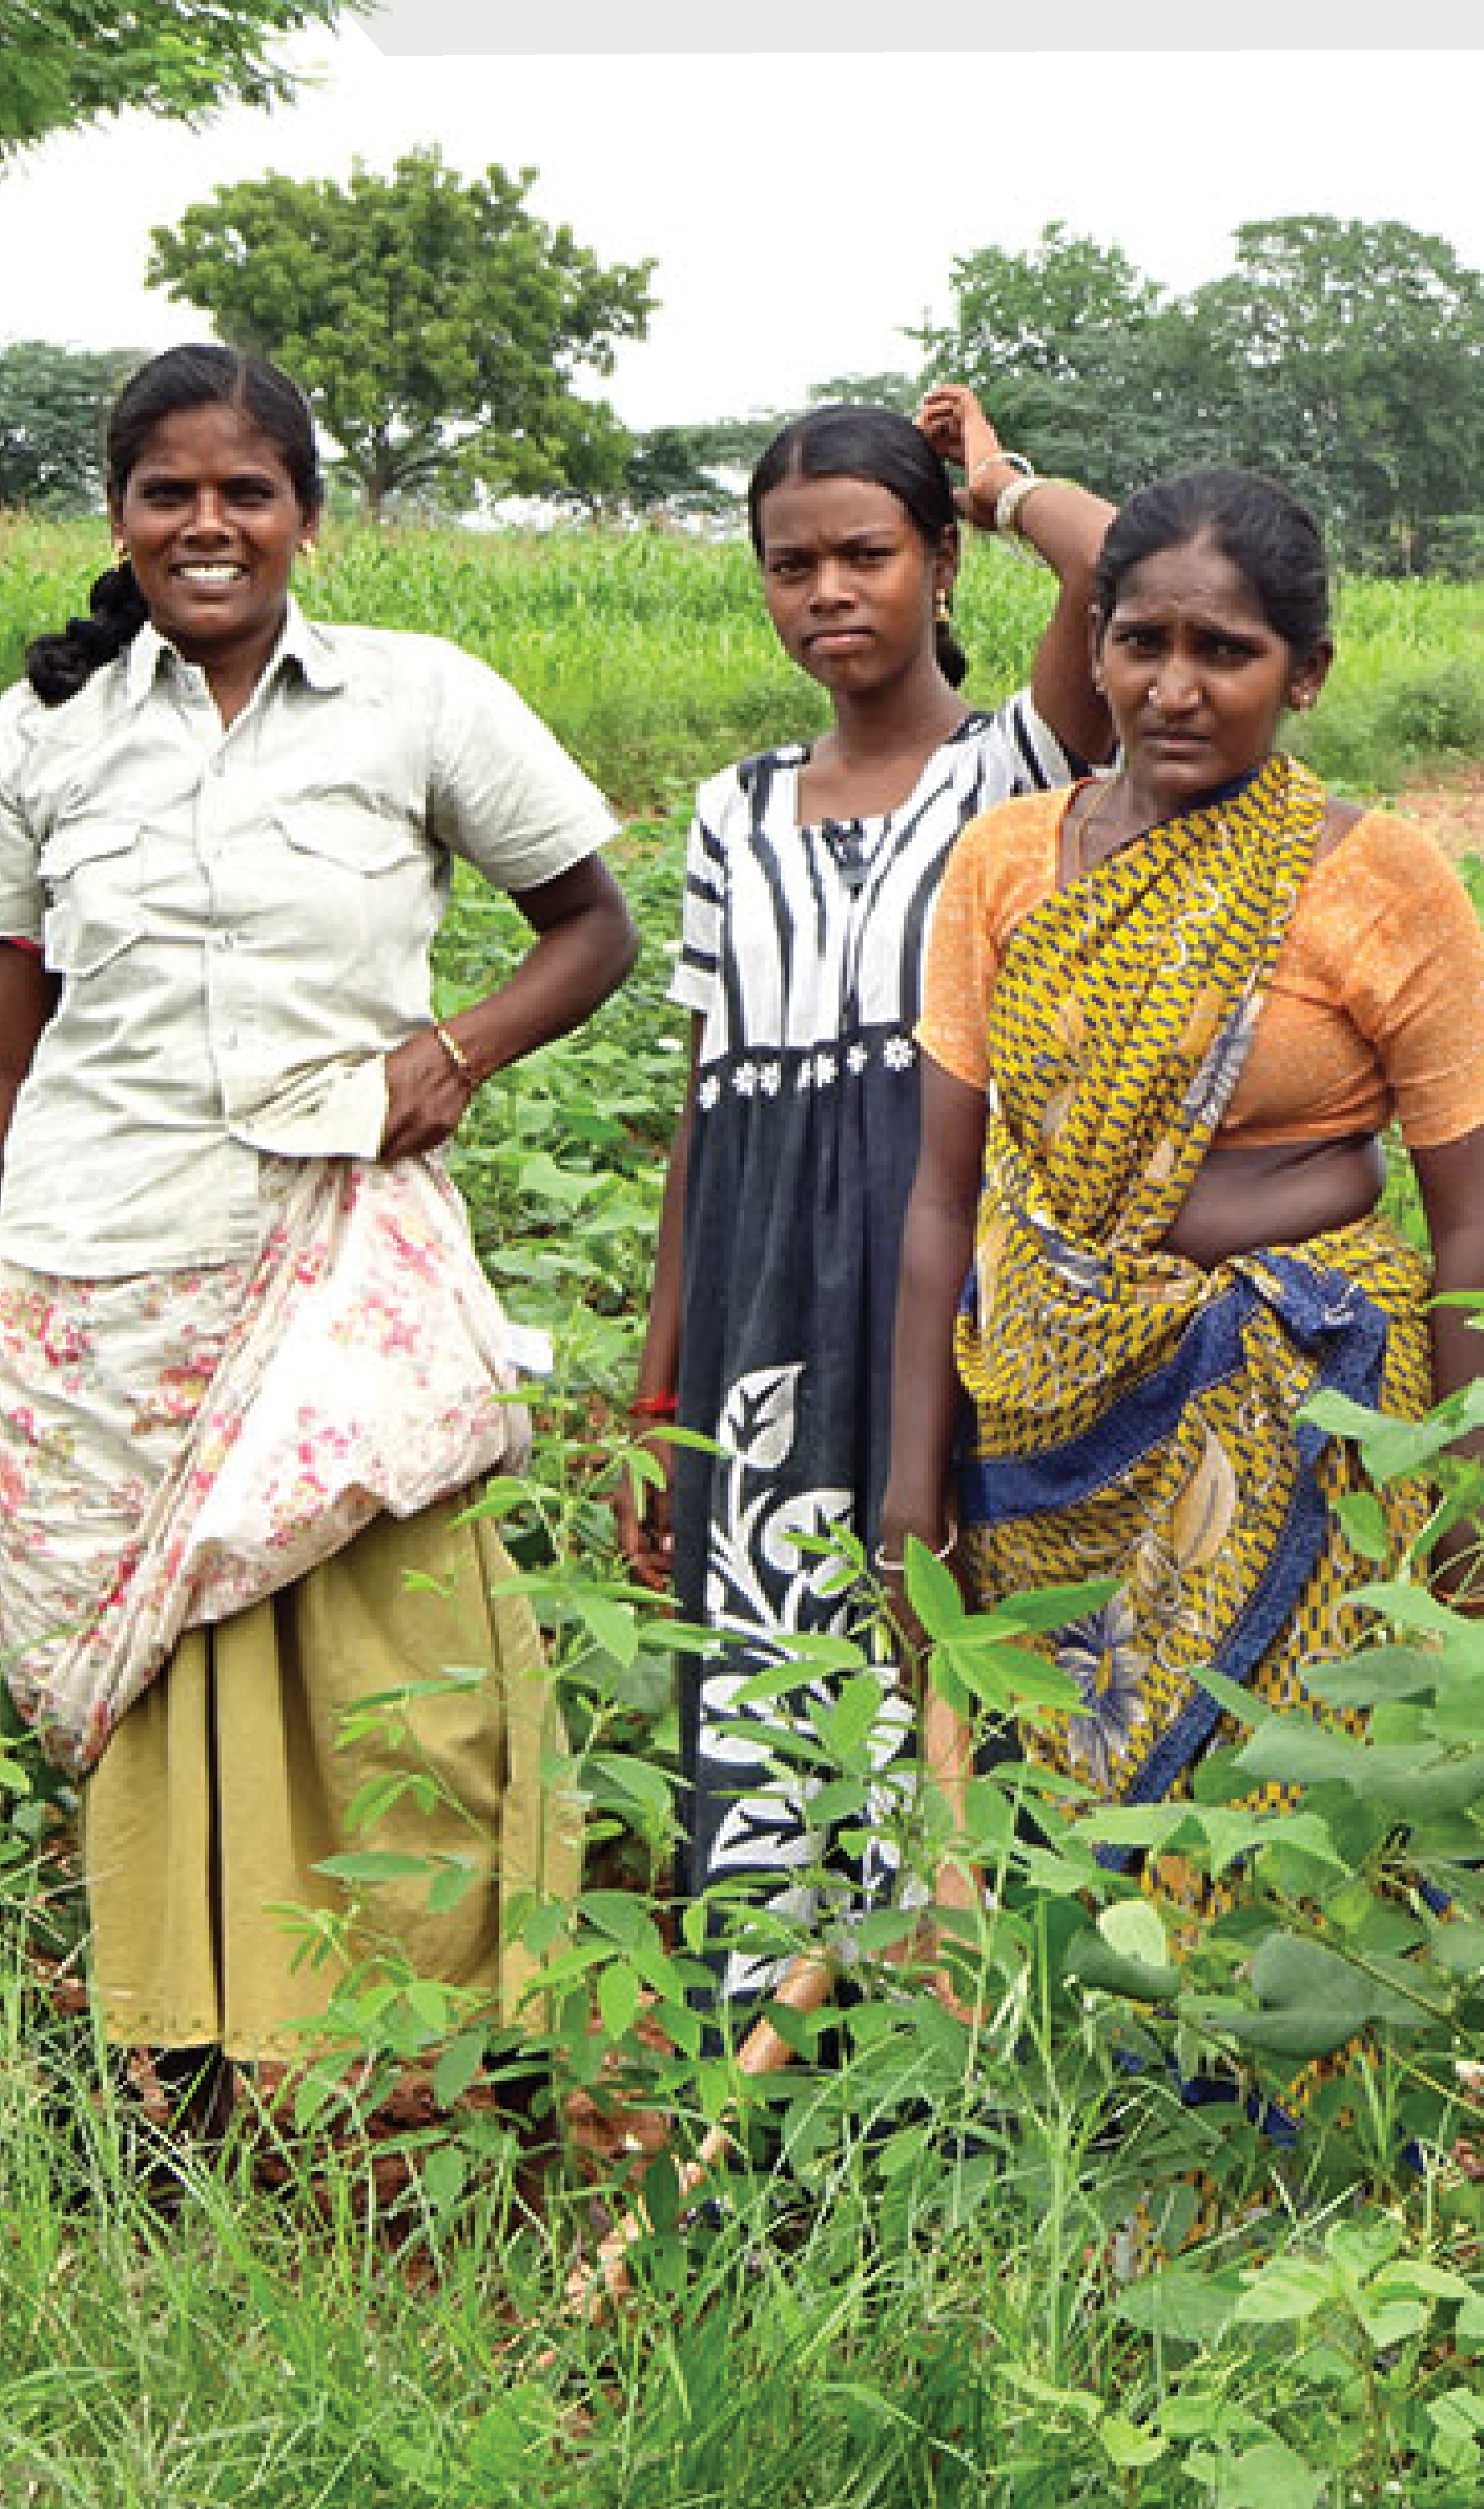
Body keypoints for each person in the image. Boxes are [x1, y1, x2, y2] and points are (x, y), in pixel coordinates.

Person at [0, 343, 639, 2110]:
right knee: (149, 1703)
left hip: (333, 1267)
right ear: (120, 516)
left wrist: (458, 1047)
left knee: (414, 1682)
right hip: (98, 1283)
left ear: (308, 512)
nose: (208, 525)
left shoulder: (418, 700)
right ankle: (184, 2078)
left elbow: (589, 927)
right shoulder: (39, 736)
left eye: (246, 492)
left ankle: (444, 2070)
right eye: (169, 493)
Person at [880, 468, 1484, 2196]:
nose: (1171, 686)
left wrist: (1464, 1502)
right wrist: (907, 1484)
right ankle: (1097, 2181)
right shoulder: (1006, 864)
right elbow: (945, 1196)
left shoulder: (1382, 885)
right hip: (1050, 1415)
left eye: (1222, 651)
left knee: (1276, 1804)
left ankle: (1289, 2197)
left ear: (1302, 671)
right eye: (1135, 640)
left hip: (1302, 1414)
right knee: (1066, 1800)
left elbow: (1471, 1219)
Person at [614, 391, 1114, 2006]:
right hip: (763, 1275)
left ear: (940, 563)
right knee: (763, 1641)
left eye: (868, 553)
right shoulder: (730, 810)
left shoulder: (1017, 768)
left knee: (949, 1623)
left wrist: (1001, 480)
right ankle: (770, 2036)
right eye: (789, 565)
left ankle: (952, 2028)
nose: (827, 591)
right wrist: (658, 1378)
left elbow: (1122, 572)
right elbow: (705, 1105)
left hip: (941, 1262)